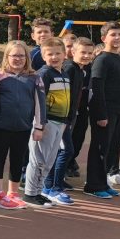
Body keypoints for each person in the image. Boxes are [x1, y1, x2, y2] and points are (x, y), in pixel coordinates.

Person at [0, 41, 40, 209]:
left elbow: (39, 104)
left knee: (18, 159)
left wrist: (39, 126)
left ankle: (13, 193)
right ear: (7, 57)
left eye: (22, 55)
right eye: (14, 55)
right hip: (1, 125)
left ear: (27, 58)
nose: (18, 59)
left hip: (23, 127)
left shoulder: (34, 78)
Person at [22, 38, 75, 207]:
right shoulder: (44, 74)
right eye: (50, 54)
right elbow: (37, 100)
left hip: (60, 122)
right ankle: (30, 193)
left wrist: (66, 121)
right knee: (38, 159)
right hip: (46, 122)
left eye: (58, 53)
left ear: (64, 54)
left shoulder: (64, 74)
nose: (54, 57)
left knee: (49, 160)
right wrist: (40, 123)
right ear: (43, 56)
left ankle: (39, 191)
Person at [84, 22, 120, 198]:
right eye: (113, 34)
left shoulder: (119, 59)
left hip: (118, 112)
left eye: (119, 34)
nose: (117, 38)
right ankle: (93, 185)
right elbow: (96, 88)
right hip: (105, 112)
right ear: (104, 38)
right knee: (100, 148)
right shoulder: (102, 60)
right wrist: (101, 114)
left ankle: (103, 183)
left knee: (110, 148)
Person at [48, 37, 94, 189]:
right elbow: (61, 94)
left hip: (70, 116)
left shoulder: (80, 70)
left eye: (90, 53)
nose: (86, 56)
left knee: (65, 150)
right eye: (83, 52)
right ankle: (52, 183)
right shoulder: (69, 68)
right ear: (73, 52)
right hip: (60, 117)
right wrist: (65, 117)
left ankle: (58, 180)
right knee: (63, 150)